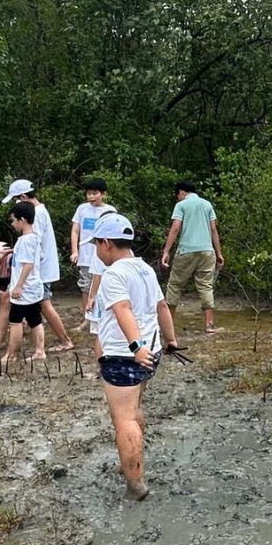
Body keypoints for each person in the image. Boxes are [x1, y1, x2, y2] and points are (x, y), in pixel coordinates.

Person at [91, 213, 183, 500]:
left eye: (96, 243)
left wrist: (135, 346)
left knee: (124, 419)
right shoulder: (144, 268)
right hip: (150, 352)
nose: (95, 249)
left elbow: (123, 310)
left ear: (107, 243)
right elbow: (162, 307)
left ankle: (136, 483)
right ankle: (132, 460)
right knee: (134, 408)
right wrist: (171, 341)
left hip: (126, 355)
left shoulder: (115, 274)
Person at [0, 200, 66, 368]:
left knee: (15, 322)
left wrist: (18, 286)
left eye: (13, 220)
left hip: (25, 290)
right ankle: (39, 351)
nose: (12, 224)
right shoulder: (33, 238)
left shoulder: (26, 240)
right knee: (35, 320)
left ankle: (12, 355)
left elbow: (28, 264)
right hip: (34, 288)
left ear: (22, 220)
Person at [160, 180, 225, 334]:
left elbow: (175, 227)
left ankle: (167, 326)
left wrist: (166, 251)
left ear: (181, 192)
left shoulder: (181, 205)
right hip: (207, 251)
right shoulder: (207, 204)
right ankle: (209, 325)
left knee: (175, 285)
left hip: (186, 250)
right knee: (205, 286)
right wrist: (218, 253)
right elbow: (214, 229)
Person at [70, 178, 118, 332]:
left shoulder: (110, 210)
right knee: (86, 287)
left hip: (104, 256)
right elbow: (75, 230)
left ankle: (106, 317)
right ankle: (87, 319)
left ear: (103, 194)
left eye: (94, 193)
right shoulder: (82, 209)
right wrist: (75, 251)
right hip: (85, 256)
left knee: (105, 286)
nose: (91, 197)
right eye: (88, 193)